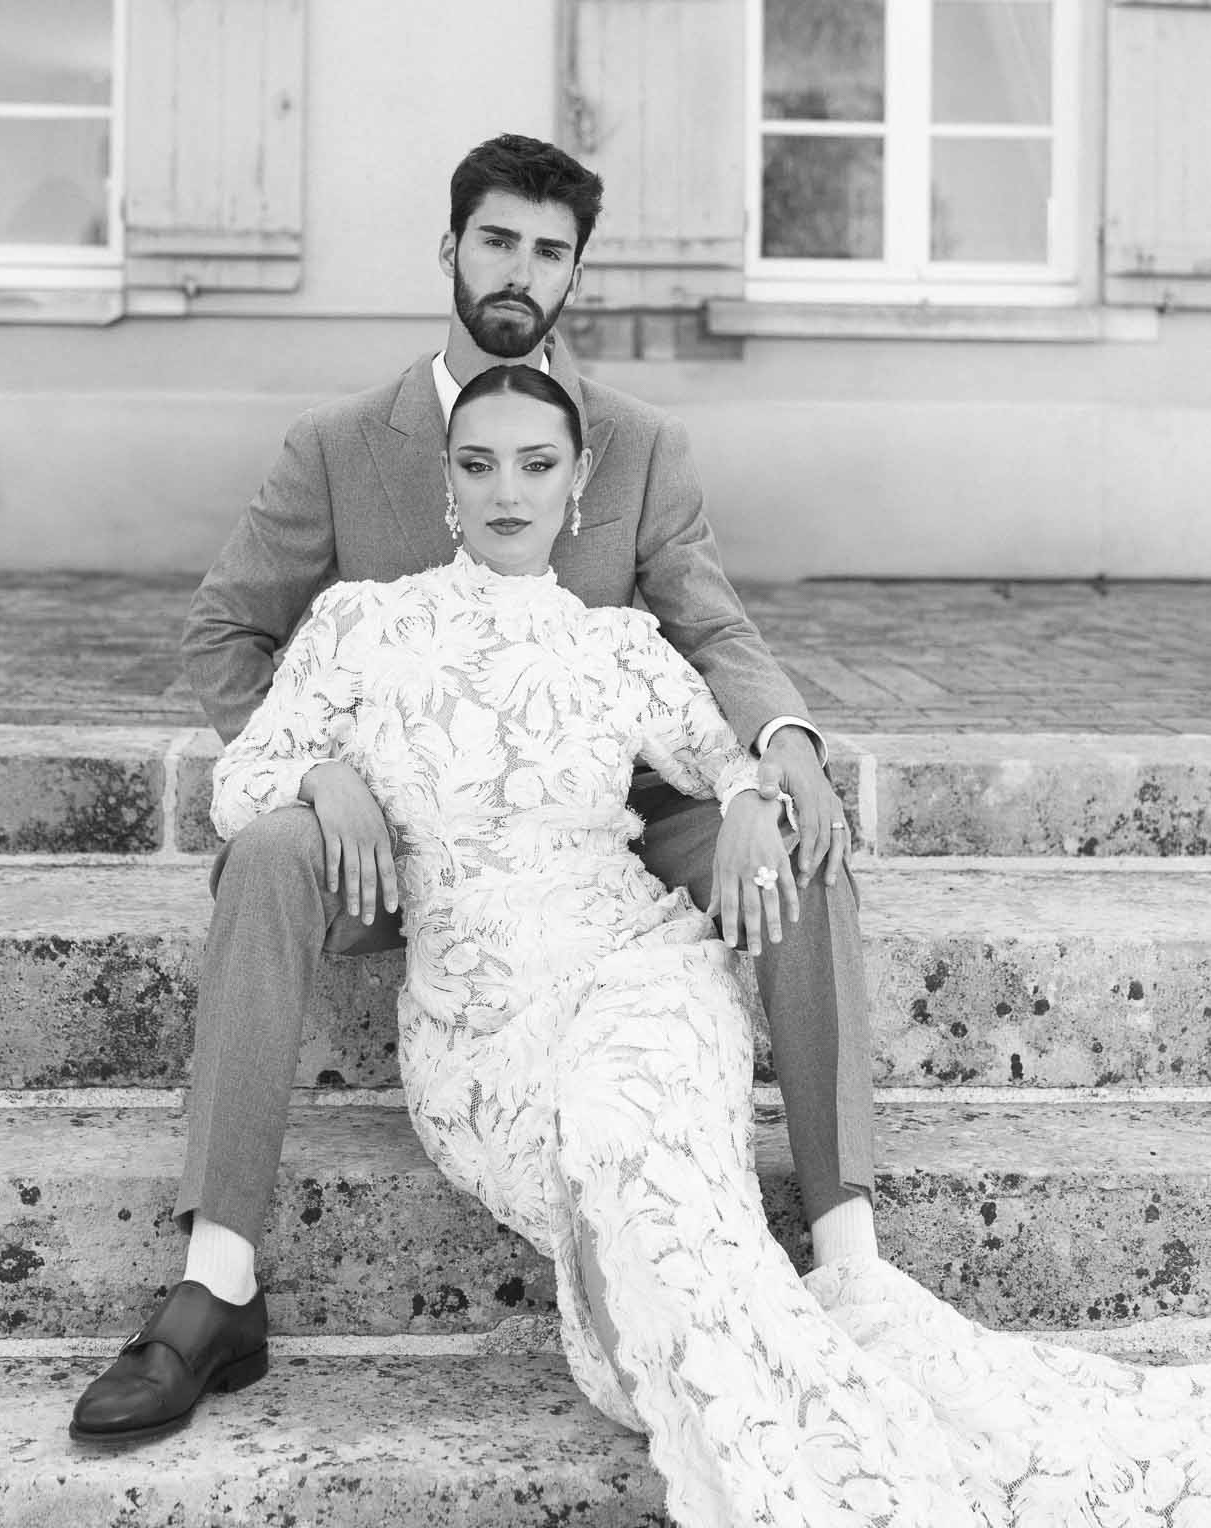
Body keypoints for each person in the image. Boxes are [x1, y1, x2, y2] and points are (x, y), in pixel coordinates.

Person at [178, 367, 1211, 1523]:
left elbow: (728, 760)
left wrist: (760, 801)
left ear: (577, 489)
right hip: (478, 1028)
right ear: (446, 485)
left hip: (641, 969)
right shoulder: (362, 625)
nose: (508, 491)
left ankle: (829, 1383)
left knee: (637, 1144)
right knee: (641, 1308)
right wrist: (324, 776)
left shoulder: (618, 643)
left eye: (537, 465)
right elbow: (239, 779)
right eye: (479, 464)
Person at [70, 132, 869, 1446]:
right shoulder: (339, 444)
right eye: (497, 239)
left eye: (550, 251)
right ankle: (217, 1283)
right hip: (397, 832)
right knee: (264, 851)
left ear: (575, 275)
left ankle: (846, 1247)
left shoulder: (636, 444)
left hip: (610, 822)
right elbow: (225, 633)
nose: (520, 270)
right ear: (450, 248)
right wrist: (319, 768)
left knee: (801, 836)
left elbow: (707, 622)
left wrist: (777, 744)